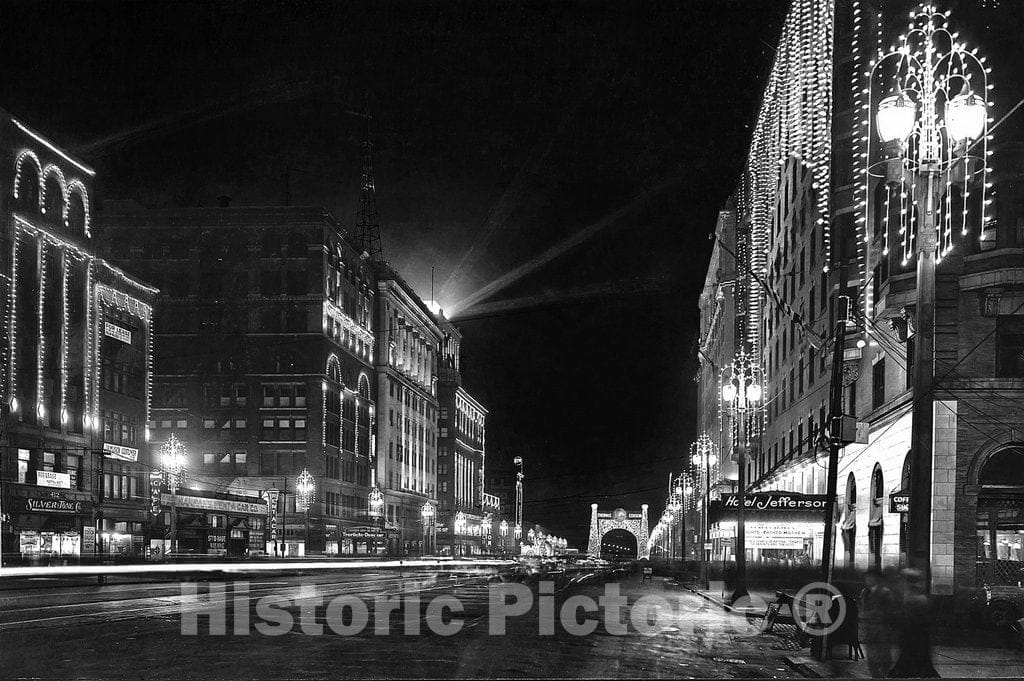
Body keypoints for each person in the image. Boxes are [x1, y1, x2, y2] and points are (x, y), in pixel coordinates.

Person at [888, 568, 938, 678]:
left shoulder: (915, 599)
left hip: (913, 640)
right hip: (915, 640)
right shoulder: (915, 597)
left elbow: (910, 620)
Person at [860, 569, 896, 677]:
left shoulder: (885, 592)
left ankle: (882, 673)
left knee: (883, 652)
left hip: (881, 627)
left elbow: (889, 610)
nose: (868, 580)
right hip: (870, 627)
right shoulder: (865, 592)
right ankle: (875, 673)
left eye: (870, 578)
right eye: (867, 578)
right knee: (871, 653)